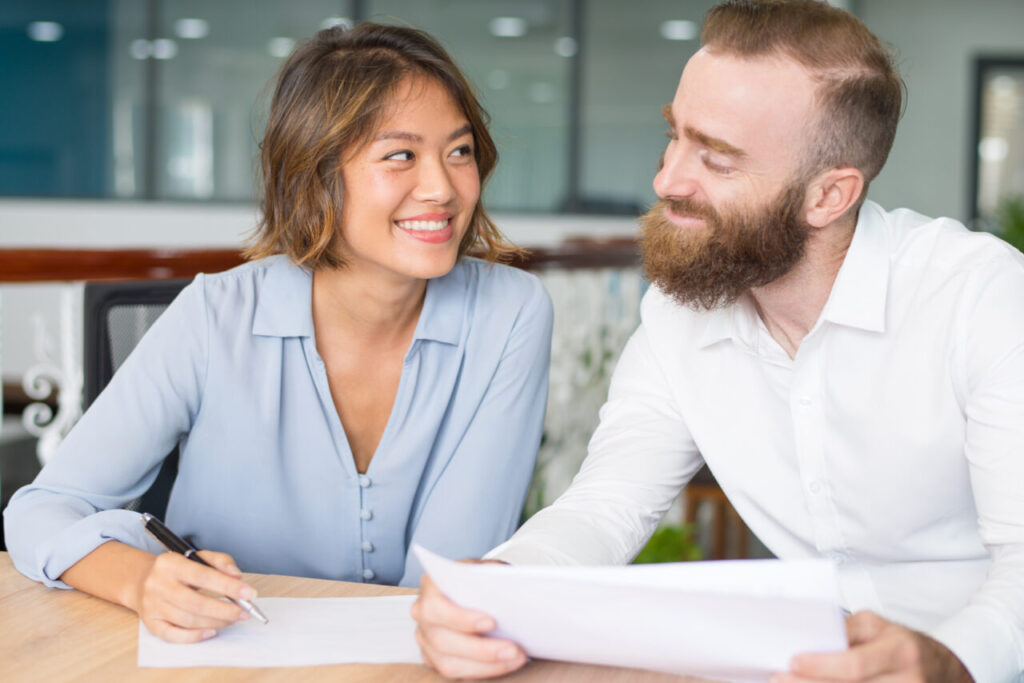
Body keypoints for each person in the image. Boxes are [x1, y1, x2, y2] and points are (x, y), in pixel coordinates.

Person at [410, 1, 1024, 681]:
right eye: (675, 137)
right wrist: (501, 586)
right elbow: (607, 505)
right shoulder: (680, 313)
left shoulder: (983, 299)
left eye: (718, 159)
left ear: (829, 195)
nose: (667, 180)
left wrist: (950, 660)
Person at [3, 23, 552, 645]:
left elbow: (449, 577)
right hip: (223, 655)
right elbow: (40, 509)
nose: (444, 188)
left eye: (459, 151)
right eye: (400, 155)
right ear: (315, 175)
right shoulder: (215, 314)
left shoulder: (511, 312)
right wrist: (141, 580)